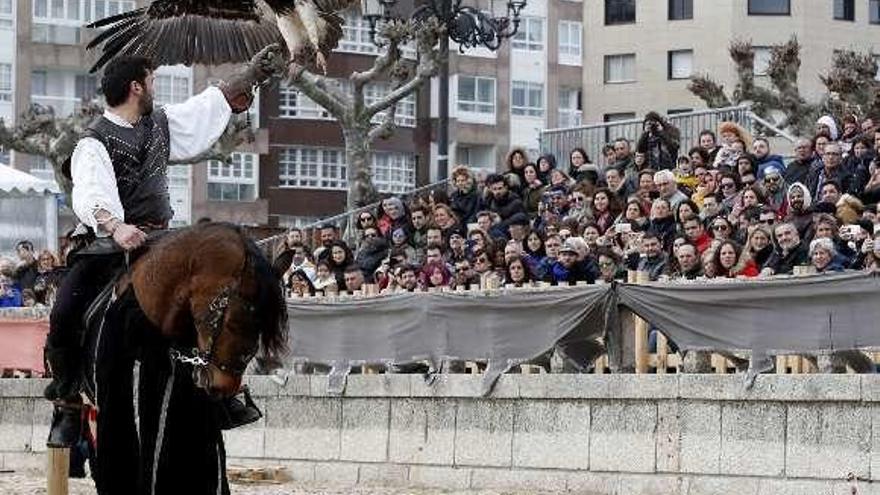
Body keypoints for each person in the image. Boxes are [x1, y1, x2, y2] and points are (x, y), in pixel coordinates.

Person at [44, 52, 271, 448]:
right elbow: (91, 193)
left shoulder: (159, 122)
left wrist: (250, 74)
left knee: (213, 299)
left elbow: (203, 109)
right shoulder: (93, 141)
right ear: (136, 86)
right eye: (151, 80)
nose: (155, 86)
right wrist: (116, 226)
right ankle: (67, 402)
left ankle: (223, 391)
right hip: (105, 244)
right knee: (65, 310)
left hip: (159, 238)